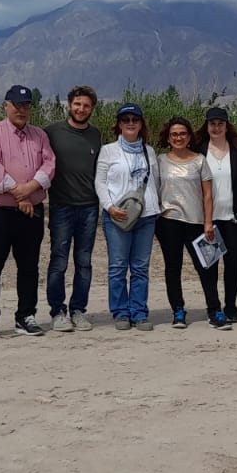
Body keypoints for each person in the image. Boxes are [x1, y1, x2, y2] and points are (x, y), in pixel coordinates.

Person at [0, 85, 56, 340]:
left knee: (29, 266)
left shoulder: (40, 136)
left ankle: (26, 316)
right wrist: (20, 195)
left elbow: (49, 164)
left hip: (30, 212)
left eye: (27, 106)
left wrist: (30, 188)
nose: (22, 110)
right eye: (17, 105)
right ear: (6, 106)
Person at [154, 116, 225, 330]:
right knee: (173, 267)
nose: (178, 138)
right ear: (168, 138)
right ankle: (178, 310)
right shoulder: (160, 161)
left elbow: (207, 195)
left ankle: (215, 310)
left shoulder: (200, 161)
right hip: (169, 222)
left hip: (198, 223)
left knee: (208, 266)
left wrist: (208, 222)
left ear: (189, 137)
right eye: (174, 134)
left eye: (182, 134)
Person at [95, 103, 161, 332]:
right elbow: (100, 182)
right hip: (117, 216)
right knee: (118, 266)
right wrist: (110, 206)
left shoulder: (150, 151)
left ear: (141, 124)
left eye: (135, 119)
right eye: (126, 119)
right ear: (119, 124)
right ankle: (121, 312)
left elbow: (156, 182)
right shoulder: (108, 150)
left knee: (141, 267)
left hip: (146, 216)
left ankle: (139, 312)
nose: (130, 123)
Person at [42, 85, 102, 333]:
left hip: (89, 207)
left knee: (84, 262)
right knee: (59, 261)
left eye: (86, 105)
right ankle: (57, 311)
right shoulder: (51, 132)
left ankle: (78, 310)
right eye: (77, 104)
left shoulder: (96, 136)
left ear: (92, 109)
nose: (81, 109)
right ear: (69, 105)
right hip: (61, 207)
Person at [192, 106, 237, 324]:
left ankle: (230, 306)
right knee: (209, 264)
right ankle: (213, 307)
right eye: (212, 124)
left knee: (233, 263)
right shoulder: (198, 150)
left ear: (227, 126)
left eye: (220, 123)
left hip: (233, 218)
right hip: (207, 218)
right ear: (207, 126)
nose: (216, 127)